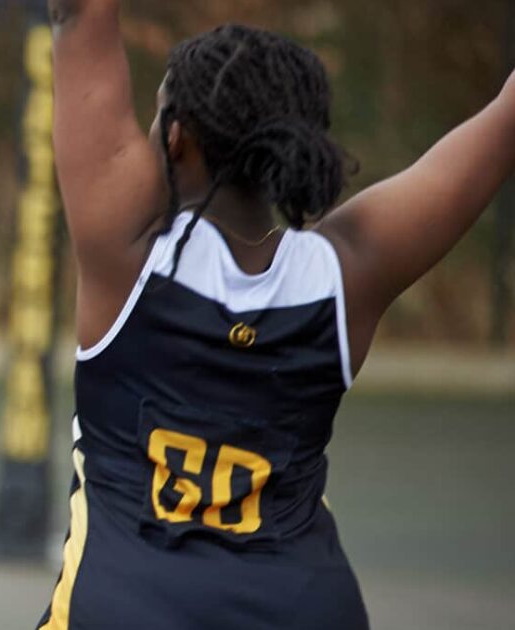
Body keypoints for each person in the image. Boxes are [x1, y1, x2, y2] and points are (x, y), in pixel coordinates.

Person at [41, 1, 515, 627]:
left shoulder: (126, 253)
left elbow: (81, 14)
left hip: (128, 604)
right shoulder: (351, 273)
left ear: (177, 139)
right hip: (305, 607)